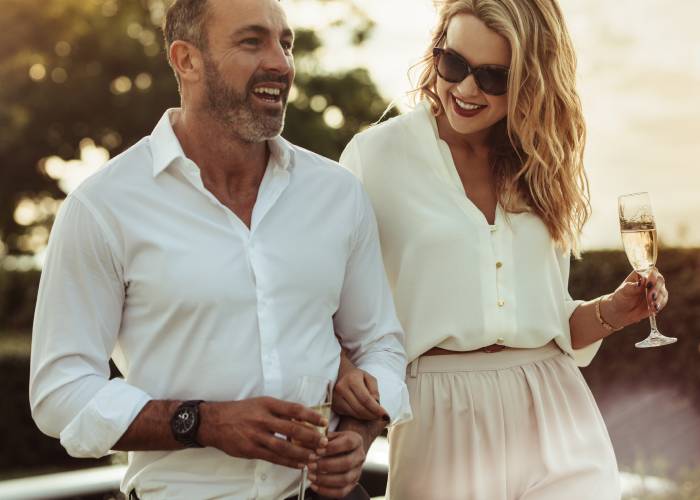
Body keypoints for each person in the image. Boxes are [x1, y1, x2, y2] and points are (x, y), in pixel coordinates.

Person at [29, 0, 411, 498]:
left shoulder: (337, 195)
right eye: (252, 41)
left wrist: (358, 435)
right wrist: (202, 422)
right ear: (186, 60)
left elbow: (379, 346)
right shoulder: (103, 207)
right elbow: (61, 393)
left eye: (286, 43)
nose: (280, 62)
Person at [335, 0, 669, 499]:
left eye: (494, 77)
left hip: (557, 410)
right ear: (436, 55)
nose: (467, 90)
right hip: (440, 417)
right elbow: (328, 304)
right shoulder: (376, 157)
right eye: (454, 65)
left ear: (529, 81)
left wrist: (612, 312)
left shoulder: (539, 166)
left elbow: (549, 321)